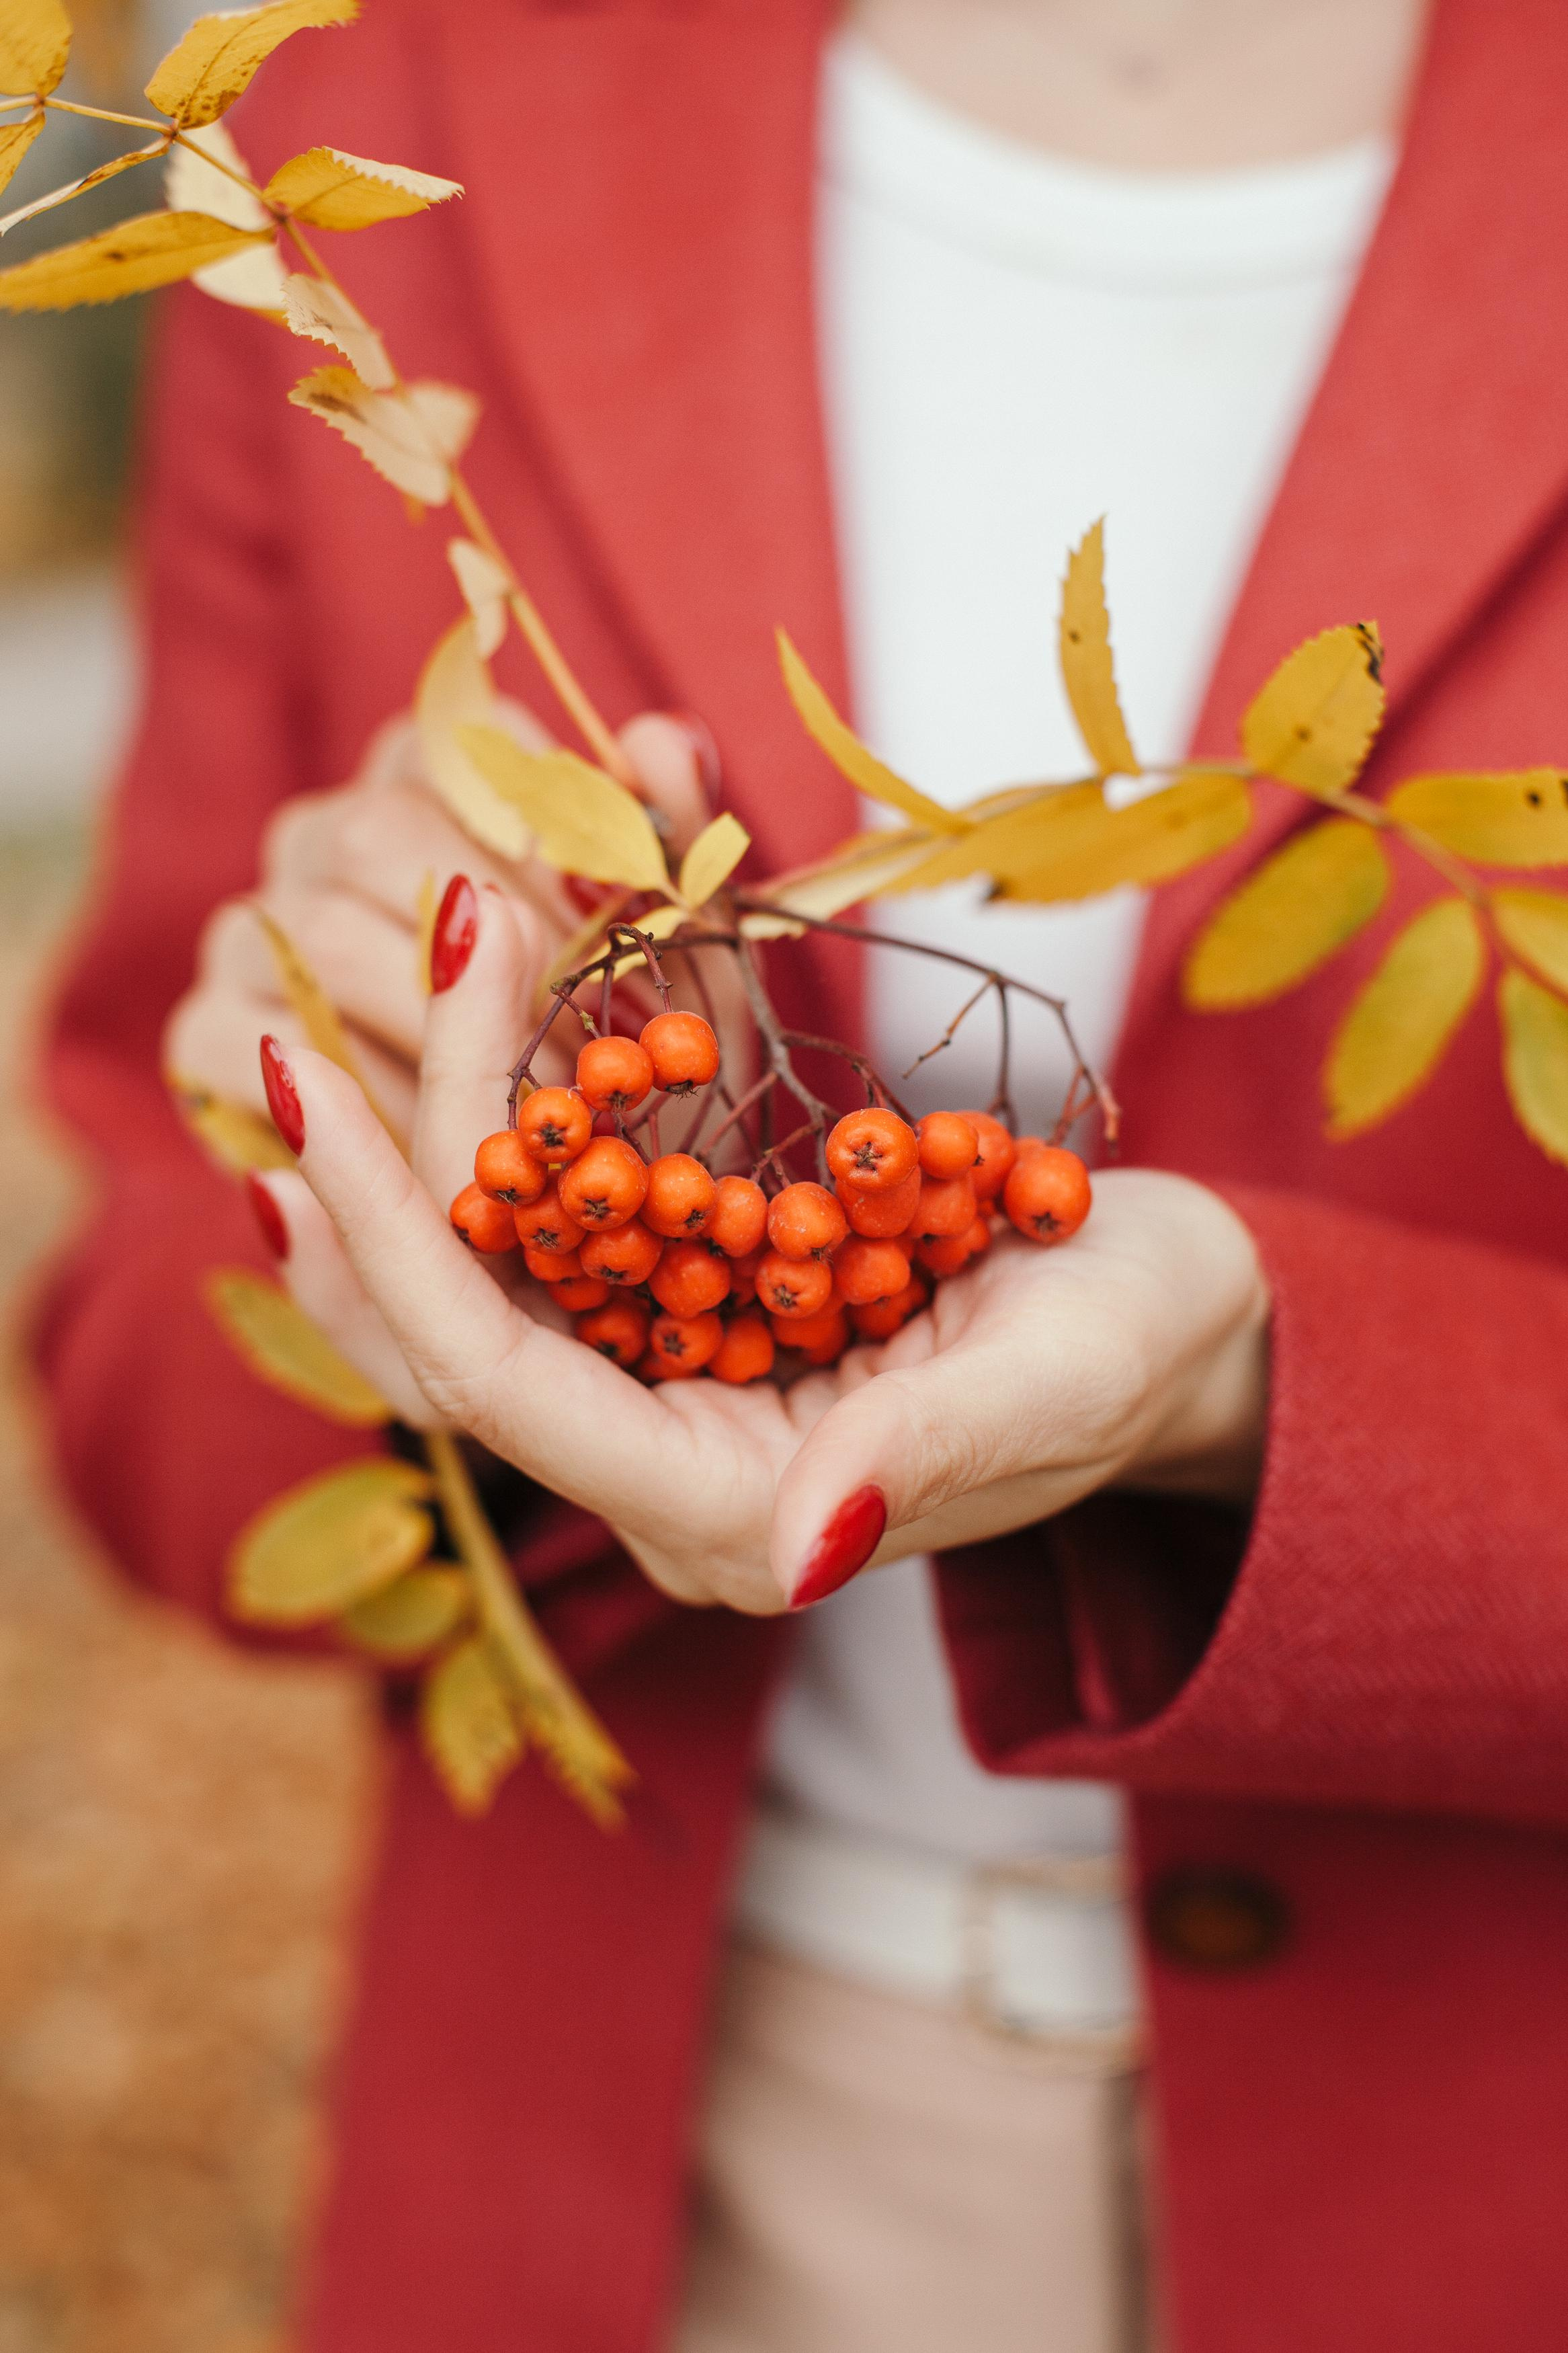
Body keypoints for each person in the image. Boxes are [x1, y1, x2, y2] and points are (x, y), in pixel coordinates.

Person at [34, 0, 1568, 2347]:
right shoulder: (386, 123)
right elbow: (140, 1379)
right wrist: (362, 1211)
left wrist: (1259, 1382)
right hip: (689, 2165)